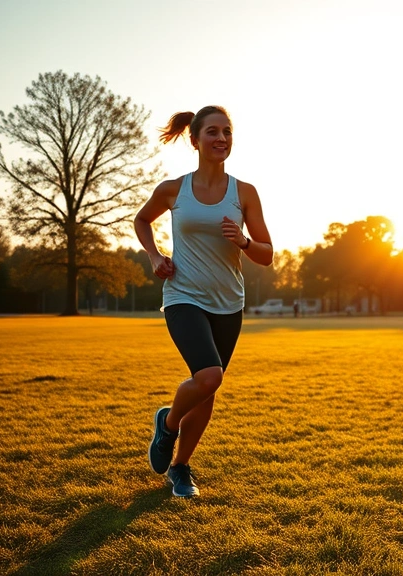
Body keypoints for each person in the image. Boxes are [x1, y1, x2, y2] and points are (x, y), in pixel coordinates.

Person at [133, 105, 273, 497]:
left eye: (227, 132)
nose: (222, 139)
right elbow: (142, 220)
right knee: (210, 375)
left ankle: (180, 467)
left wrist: (244, 241)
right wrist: (155, 256)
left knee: (207, 388)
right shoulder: (172, 189)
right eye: (213, 132)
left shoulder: (244, 193)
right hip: (183, 296)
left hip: (228, 302)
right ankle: (168, 425)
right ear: (194, 140)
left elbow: (267, 253)